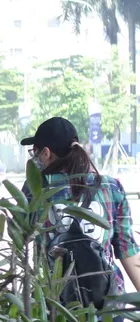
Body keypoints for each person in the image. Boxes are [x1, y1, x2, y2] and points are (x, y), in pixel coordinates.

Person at [21, 116, 140, 308]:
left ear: (45, 153)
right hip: (109, 303)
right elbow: (128, 252)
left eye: (34, 152)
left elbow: (18, 240)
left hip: (57, 306)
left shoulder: (34, 191)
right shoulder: (111, 187)